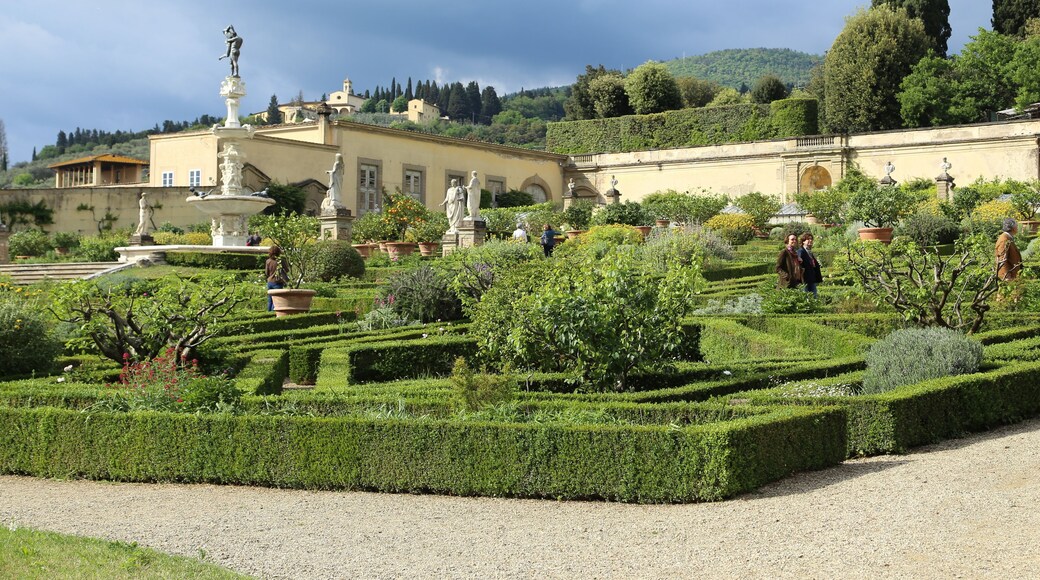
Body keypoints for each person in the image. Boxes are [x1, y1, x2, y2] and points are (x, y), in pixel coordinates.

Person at [797, 232, 822, 297]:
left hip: (811, 278)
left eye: (811, 239)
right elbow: (799, 264)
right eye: (808, 239)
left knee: (814, 297)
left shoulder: (809, 251)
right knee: (806, 297)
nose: (810, 240)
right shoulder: (801, 251)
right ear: (803, 241)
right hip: (805, 279)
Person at [265, 245, 287, 311]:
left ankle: (268, 314)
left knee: (270, 300)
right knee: (276, 301)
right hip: (278, 282)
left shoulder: (268, 261)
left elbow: (266, 272)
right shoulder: (280, 261)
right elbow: (287, 270)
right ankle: (273, 314)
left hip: (270, 282)